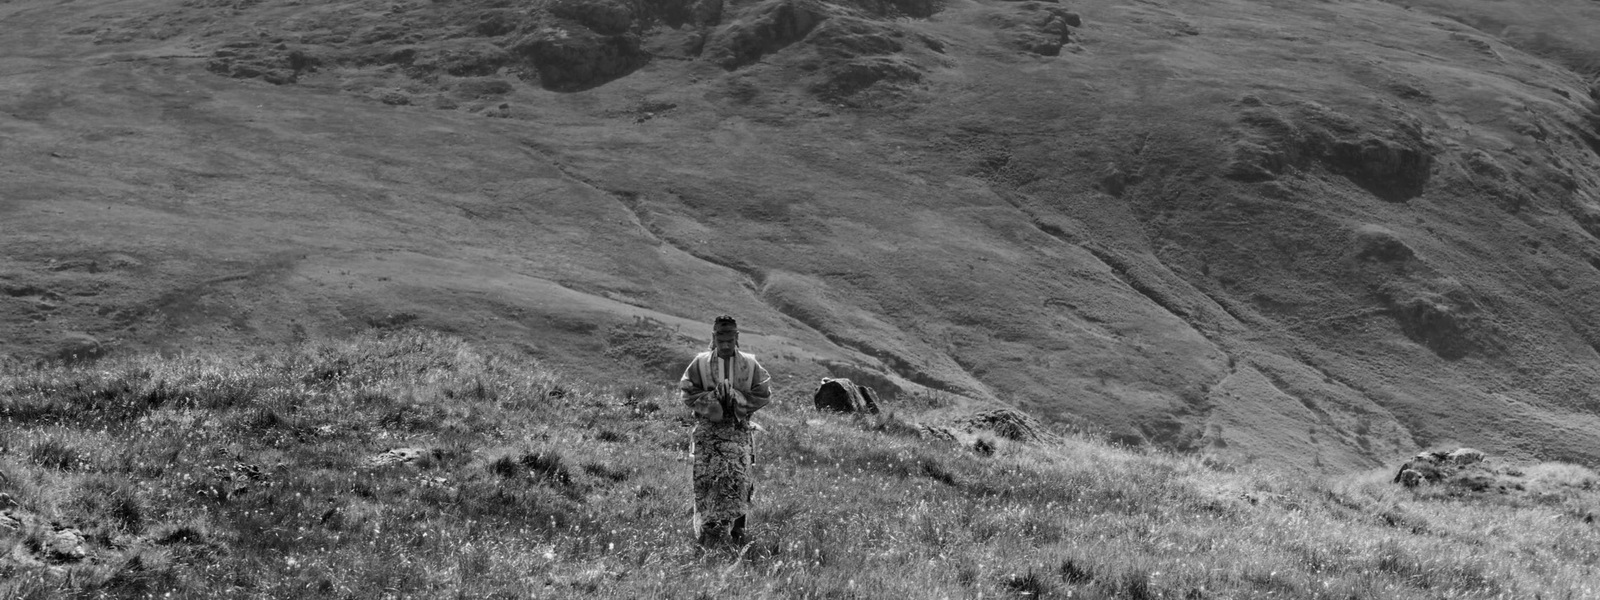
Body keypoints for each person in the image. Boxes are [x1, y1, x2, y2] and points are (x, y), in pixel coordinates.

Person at [679, 315, 772, 546]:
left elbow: (764, 392)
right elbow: (687, 391)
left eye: (730, 339)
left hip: (738, 429)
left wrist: (738, 399)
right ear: (713, 337)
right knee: (708, 480)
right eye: (721, 339)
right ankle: (709, 533)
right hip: (709, 432)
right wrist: (712, 401)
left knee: (740, 480)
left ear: (737, 337)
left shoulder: (750, 364)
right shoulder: (700, 363)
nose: (726, 344)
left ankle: (738, 532)